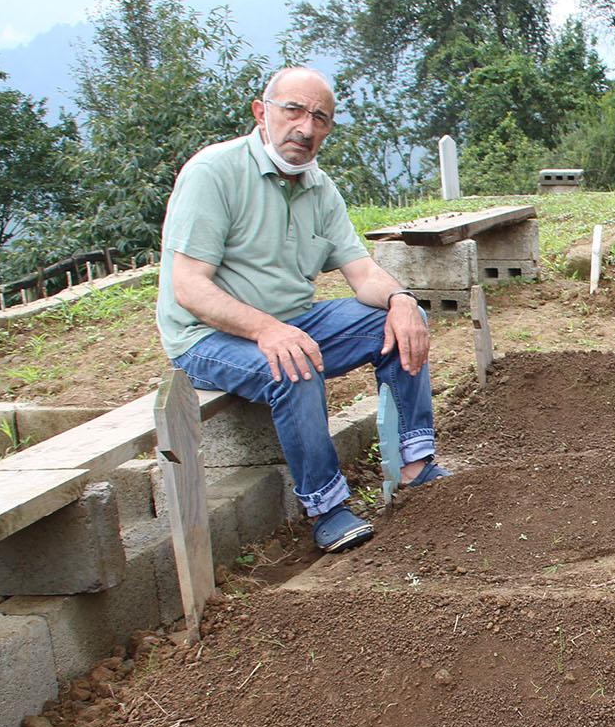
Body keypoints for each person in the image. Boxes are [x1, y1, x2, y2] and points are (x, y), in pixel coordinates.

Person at [156, 66, 447, 553]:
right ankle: (326, 506)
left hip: (292, 322)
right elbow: (189, 289)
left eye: (320, 118)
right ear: (261, 112)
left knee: (398, 323)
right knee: (292, 364)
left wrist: (401, 300)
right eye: (293, 110)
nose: (305, 128)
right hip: (206, 337)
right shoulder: (215, 173)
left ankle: (415, 464)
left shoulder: (318, 187)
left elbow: (362, 273)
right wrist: (267, 330)